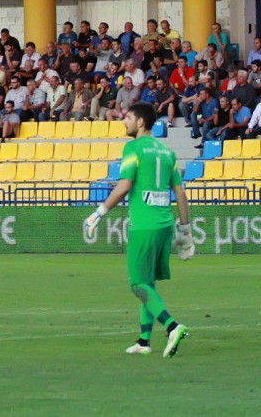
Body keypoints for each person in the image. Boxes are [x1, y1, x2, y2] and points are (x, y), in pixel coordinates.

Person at [84, 102, 192, 358]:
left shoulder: (133, 148)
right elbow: (180, 194)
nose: (124, 121)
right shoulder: (168, 153)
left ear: (140, 122)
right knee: (148, 282)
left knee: (137, 284)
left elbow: (125, 185)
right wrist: (186, 231)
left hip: (143, 226)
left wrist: (98, 213)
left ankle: (172, 326)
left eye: (128, 117)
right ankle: (144, 341)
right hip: (165, 225)